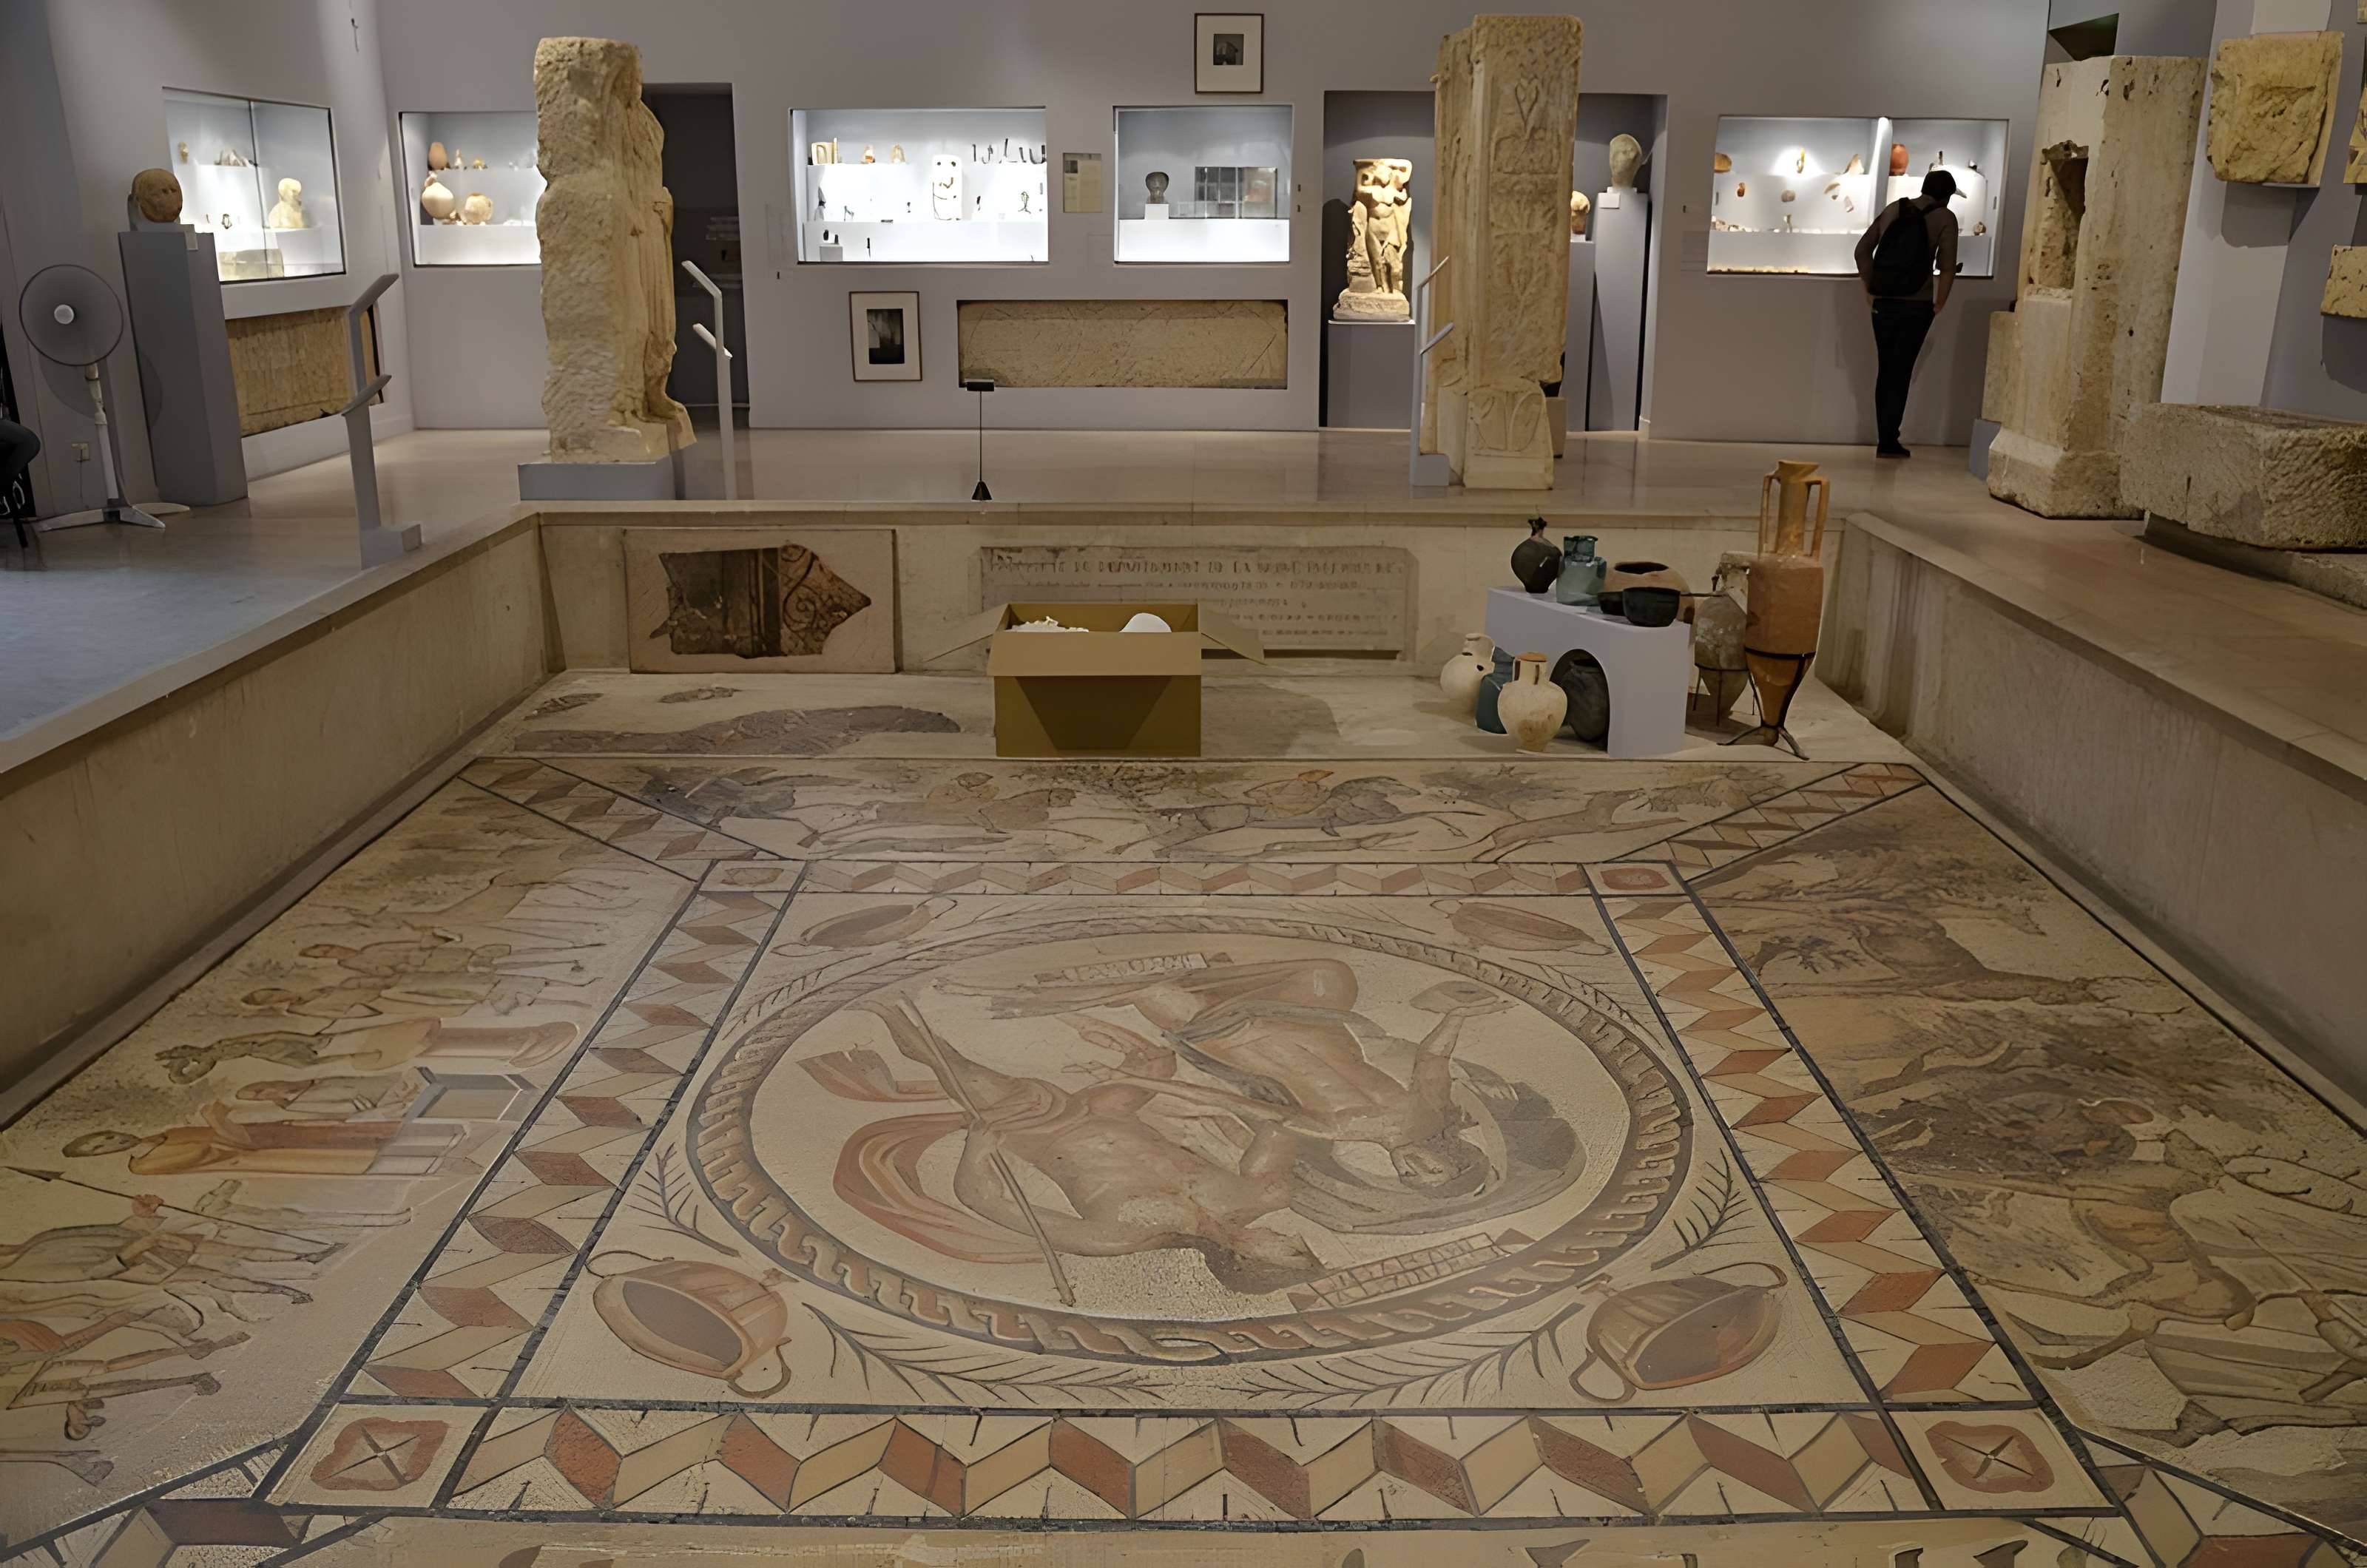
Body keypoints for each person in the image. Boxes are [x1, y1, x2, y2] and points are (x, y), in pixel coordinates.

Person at [1854, 169, 1960, 459]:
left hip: (1884, 303)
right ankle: (1890, 441)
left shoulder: (1894, 209)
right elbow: (1947, 267)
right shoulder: (1945, 218)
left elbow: (1862, 250)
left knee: (1886, 369)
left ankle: (1884, 437)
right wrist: (1940, 303)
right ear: (1947, 196)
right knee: (1901, 371)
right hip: (1916, 305)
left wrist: (1871, 287)